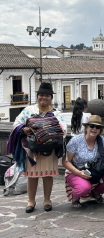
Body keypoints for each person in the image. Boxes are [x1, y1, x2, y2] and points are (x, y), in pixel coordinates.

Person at [13, 82, 67, 213]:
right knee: (32, 176)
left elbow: (64, 130)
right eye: (41, 95)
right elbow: (16, 124)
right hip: (32, 150)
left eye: (47, 96)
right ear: (37, 96)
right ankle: (31, 201)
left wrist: (49, 130)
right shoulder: (28, 111)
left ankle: (47, 200)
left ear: (51, 98)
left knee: (48, 175)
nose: (44, 98)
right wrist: (24, 129)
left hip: (50, 149)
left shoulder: (57, 114)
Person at [63, 115, 104, 207]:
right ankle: (75, 197)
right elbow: (66, 161)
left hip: (95, 171)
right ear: (86, 127)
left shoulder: (101, 140)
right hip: (76, 171)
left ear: (100, 130)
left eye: (98, 127)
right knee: (84, 188)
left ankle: (96, 192)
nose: (94, 129)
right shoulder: (76, 140)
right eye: (92, 126)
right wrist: (78, 172)